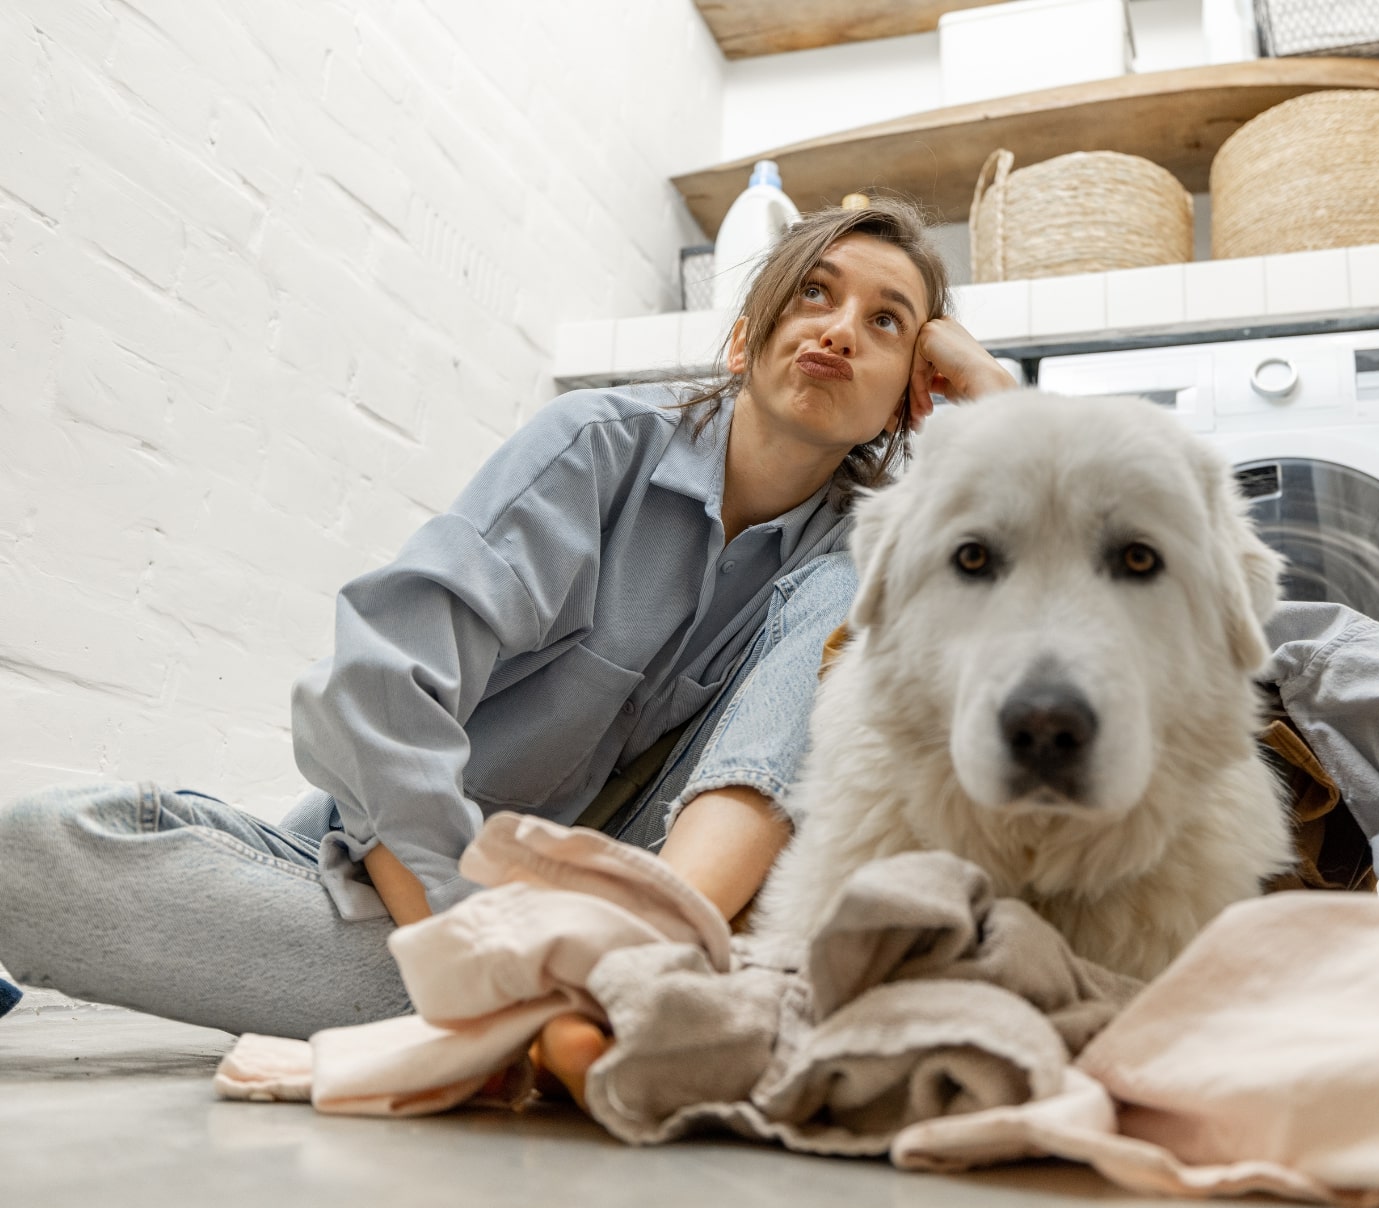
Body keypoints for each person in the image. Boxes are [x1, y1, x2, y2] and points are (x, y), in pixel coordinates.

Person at [0, 199, 1019, 1100]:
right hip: (395, 881)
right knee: (33, 852)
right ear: (745, 338)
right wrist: (465, 954)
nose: (840, 331)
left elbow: (1044, 609)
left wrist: (995, 410)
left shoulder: (859, 555)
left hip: (623, 928)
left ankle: (608, 980)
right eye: (814, 296)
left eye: (885, 321)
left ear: (908, 397)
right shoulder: (593, 446)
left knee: (856, 587)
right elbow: (375, 691)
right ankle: (537, 1011)